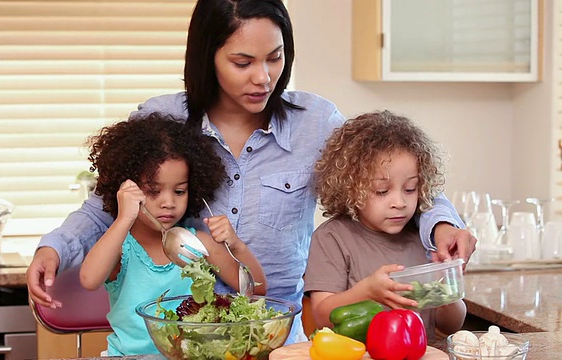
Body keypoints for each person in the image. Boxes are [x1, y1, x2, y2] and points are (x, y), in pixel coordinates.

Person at [26, 0, 475, 343]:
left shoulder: (315, 123)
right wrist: (54, 248)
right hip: (190, 337)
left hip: (283, 337)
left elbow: (388, 174)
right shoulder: (161, 120)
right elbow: (105, 206)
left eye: (275, 58)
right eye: (243, 63)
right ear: (208, 57)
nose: (264, 77)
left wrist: (442, 225)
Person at [78, 113, 267, 355]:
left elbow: (255, 290)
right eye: (153, 191)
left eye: (179, 191)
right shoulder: (121, 247)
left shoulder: (198, 244)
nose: (168, 202)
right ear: (128, 190)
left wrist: (237, 245)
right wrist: (125, 218)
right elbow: (89, 279)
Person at [304, 110, 467, 339]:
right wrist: (368, 291)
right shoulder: (332, 239)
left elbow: (452, 325)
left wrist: (447, 293)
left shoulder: (426, 237)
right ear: (351, 188)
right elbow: (322, 316)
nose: (399, 203)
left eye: (410, 189)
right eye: (382, 191)